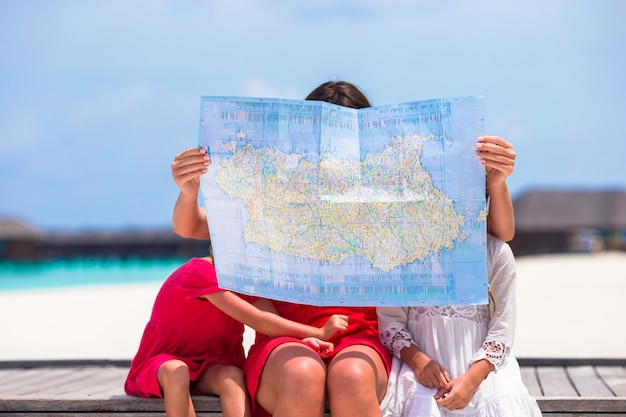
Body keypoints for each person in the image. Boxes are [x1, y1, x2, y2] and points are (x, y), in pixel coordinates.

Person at [169, 80, 518, 417]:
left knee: (352, 376)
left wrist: (497, 184)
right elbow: (192, 226)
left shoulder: (385, 195)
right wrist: (188, 191)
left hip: (363, 335)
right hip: (285, 334)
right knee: (302, 372)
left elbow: (494, 231)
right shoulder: (281, 192)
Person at [124, 256, 348, 417]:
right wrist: (318, 332)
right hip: (166, 360)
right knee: (177, 372)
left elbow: (270, 320)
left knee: (232, 378)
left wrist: (302, 340)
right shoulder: (200, 273)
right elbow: (257, 319)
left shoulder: (243, 283)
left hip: (210, 362)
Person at [377, 234, 542, 417]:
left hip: (486, 373)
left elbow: (503, 328)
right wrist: (419, 362)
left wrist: (472, 380)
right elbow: (391, 322)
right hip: (421, 371)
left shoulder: (496, 252)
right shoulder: (402, 254)